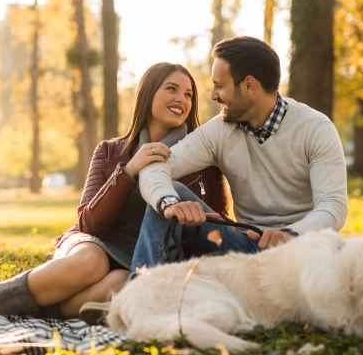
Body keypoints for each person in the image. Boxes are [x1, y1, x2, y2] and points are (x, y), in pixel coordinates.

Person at [0, 62, 228, 325]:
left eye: (188, 94)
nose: (182, 100)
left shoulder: (202, 162)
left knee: (116, 283)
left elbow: (216, 234)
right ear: (148, 94)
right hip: (93, 242)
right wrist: (128, 172)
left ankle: (27, 311)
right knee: (89, 264)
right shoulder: (110, 151)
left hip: (142, 259)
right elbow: (90, 224)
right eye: (171, 89)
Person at [130, 36, 348, 273]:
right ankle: (140, 292)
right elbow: (155, 167)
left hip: (303, 249)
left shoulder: (315, 128)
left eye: (220, 86)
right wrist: (169, 202)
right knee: (172, 194)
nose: (213, 95)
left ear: (248, 86)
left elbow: (333, 206)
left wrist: (290, 234)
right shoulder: (219, 130)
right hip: (243, 248)